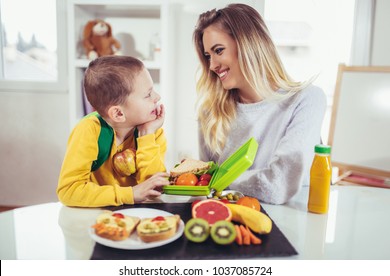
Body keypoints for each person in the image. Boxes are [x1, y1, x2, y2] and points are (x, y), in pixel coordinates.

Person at [193, 4, 327, 204]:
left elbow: (278, 186)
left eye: (218, 51)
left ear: (249, 44)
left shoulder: (306, 100)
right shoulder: (211, 114)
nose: (212, 65)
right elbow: (206, 190)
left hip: (292, 226)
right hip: (232, 224)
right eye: (207, 56)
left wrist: (219, 180)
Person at [57, 55, 169, 207]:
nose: (157, 97)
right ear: (118, 114)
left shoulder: (152, 131)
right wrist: (129, 194)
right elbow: (69, 191)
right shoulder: (89, 131)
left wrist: (146, 136)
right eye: (148, 94)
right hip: (98, 217)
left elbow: (156, 187)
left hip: (138, 214)